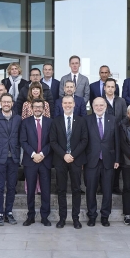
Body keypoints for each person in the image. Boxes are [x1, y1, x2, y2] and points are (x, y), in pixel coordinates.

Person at [50, 95, 88, 229]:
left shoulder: (81, 121)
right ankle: (62, 218)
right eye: (65, 103)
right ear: (61, 105)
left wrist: (72, 155)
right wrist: (64, 155)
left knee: (76, 189)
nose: (67, 105)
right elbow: (53, 141)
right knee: (61, 190)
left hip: (76, 160)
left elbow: (84, 140)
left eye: (69, 103)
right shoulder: (56, 121)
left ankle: (75, 218)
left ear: (74, 105)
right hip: (60, 160)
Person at [85, 97, 119, 227]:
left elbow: (117, 141)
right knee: (91, 190)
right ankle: (92, 216)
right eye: (96, 105)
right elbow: (84, 141)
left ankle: (105, 216)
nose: (99, 107)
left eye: (101, 105)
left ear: (105, 106)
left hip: (108, 160)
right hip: (91, 161)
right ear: (92, 106)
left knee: (107, 190)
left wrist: (117, 159)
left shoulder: (113, 119)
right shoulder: (87, 120)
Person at [0, 93, 22, 226]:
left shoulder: (18, 119)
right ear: (0, 103)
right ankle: (0, 214)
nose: (6, 104)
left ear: (12, 103)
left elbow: (20, 137)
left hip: (13, 158)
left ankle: (9, 212)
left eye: (9, 102)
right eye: (4, 102)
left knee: (12, 187)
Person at [20, 99, 53, 226]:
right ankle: (31, 216)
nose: (38, 109)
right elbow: (23, 141)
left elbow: (52, 141)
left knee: (45, 190)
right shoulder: (25, 122)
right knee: (31, 190)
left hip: (45, 160)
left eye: (40, 107)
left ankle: (45, 216)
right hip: (30, 160)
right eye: (35, 107)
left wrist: (42, 154)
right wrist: (34, 154)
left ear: (44, 108)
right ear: (32, 108)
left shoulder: (50, 122)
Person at [103, 78, 127, 195]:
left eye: (113, 87)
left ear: (115, 88)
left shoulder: (121, 101)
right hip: (103, 134)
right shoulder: (100, 101)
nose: (110, 89)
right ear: (104, 88)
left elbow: (124, 117)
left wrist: (117, 126)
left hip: (118, 133)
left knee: (117, 159)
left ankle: (115, 186)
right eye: (108, 86)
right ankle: (101, 186)